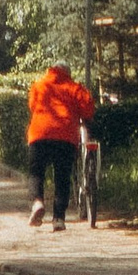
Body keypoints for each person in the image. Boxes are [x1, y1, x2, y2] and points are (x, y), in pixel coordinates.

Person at [25, 61, 96, 228]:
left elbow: (33, 106)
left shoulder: (39, 85)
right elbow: (88, 109)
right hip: (65, 137)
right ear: (68, 73)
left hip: (39, 134)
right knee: (62, 177)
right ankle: (58, 219)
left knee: (36, 172)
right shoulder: (75, 88)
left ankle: (37, 202)